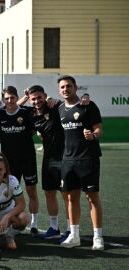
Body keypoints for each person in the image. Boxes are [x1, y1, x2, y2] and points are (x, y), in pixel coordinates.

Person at [57, 75, 104, 250]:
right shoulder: (59, 108)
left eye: (68, 86)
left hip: (88, 158)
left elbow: (99, 129)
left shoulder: (88, 105)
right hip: (68, 160)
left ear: (76, 87)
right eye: (62, 87)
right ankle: (74, 235)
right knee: (71, 197)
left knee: (92, 197)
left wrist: (93, 135)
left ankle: (97, 237)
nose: (65, 89)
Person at [25, 85, 70, 240]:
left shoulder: (55, 107)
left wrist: (52, 99)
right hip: (48, 159)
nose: (37, 101)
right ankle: (54, 227)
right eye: (33, 99)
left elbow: (68, 103)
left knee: (67, 195)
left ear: (45, 96)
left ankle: (71, 229)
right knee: (49, 193)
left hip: (64, 157)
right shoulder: (31, 115)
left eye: (39, 97)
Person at [0, 86, 39, 236]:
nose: (9, 101)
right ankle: (13, 221)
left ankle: (34, 223)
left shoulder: (26, 112)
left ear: (16, 97)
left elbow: (33, 130)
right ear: (3, 100)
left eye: (12, 97)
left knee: (31, 190)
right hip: (9, 162)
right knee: (11, 192)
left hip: (27, 158)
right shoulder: (0, 114)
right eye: (6, 98)